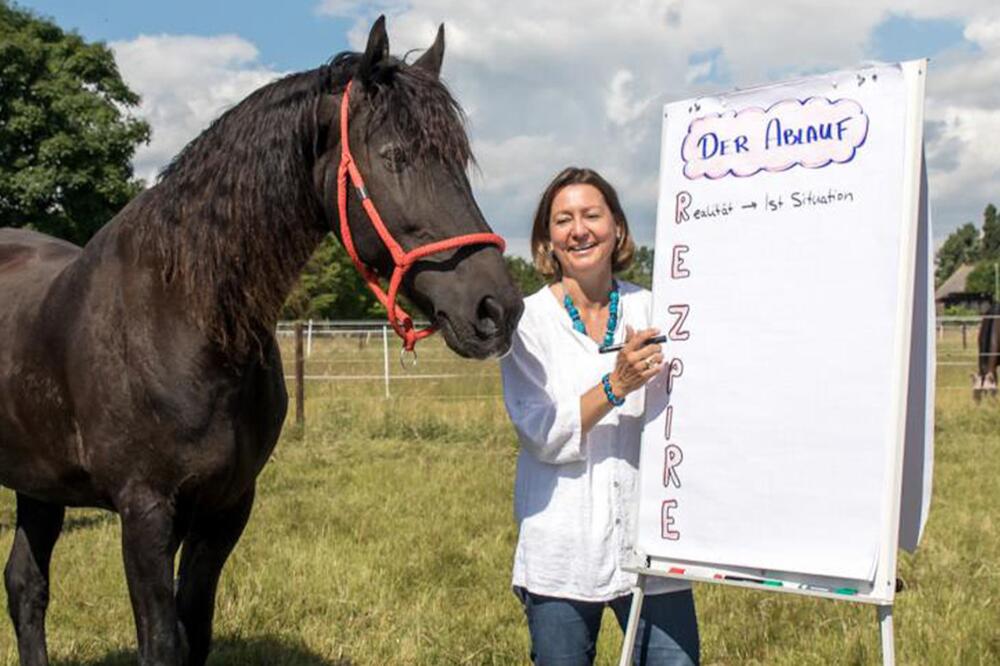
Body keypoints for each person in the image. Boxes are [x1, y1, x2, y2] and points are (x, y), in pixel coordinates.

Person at [501, 167, 700, 665]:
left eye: (592, 215)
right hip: (561, 551)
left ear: (618, 230)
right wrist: (618, 385)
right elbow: (541, 434)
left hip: (652, 543)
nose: (579, 229)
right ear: (548, 240)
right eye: (563, 220)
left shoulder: (656, 309)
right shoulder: (526, 324)